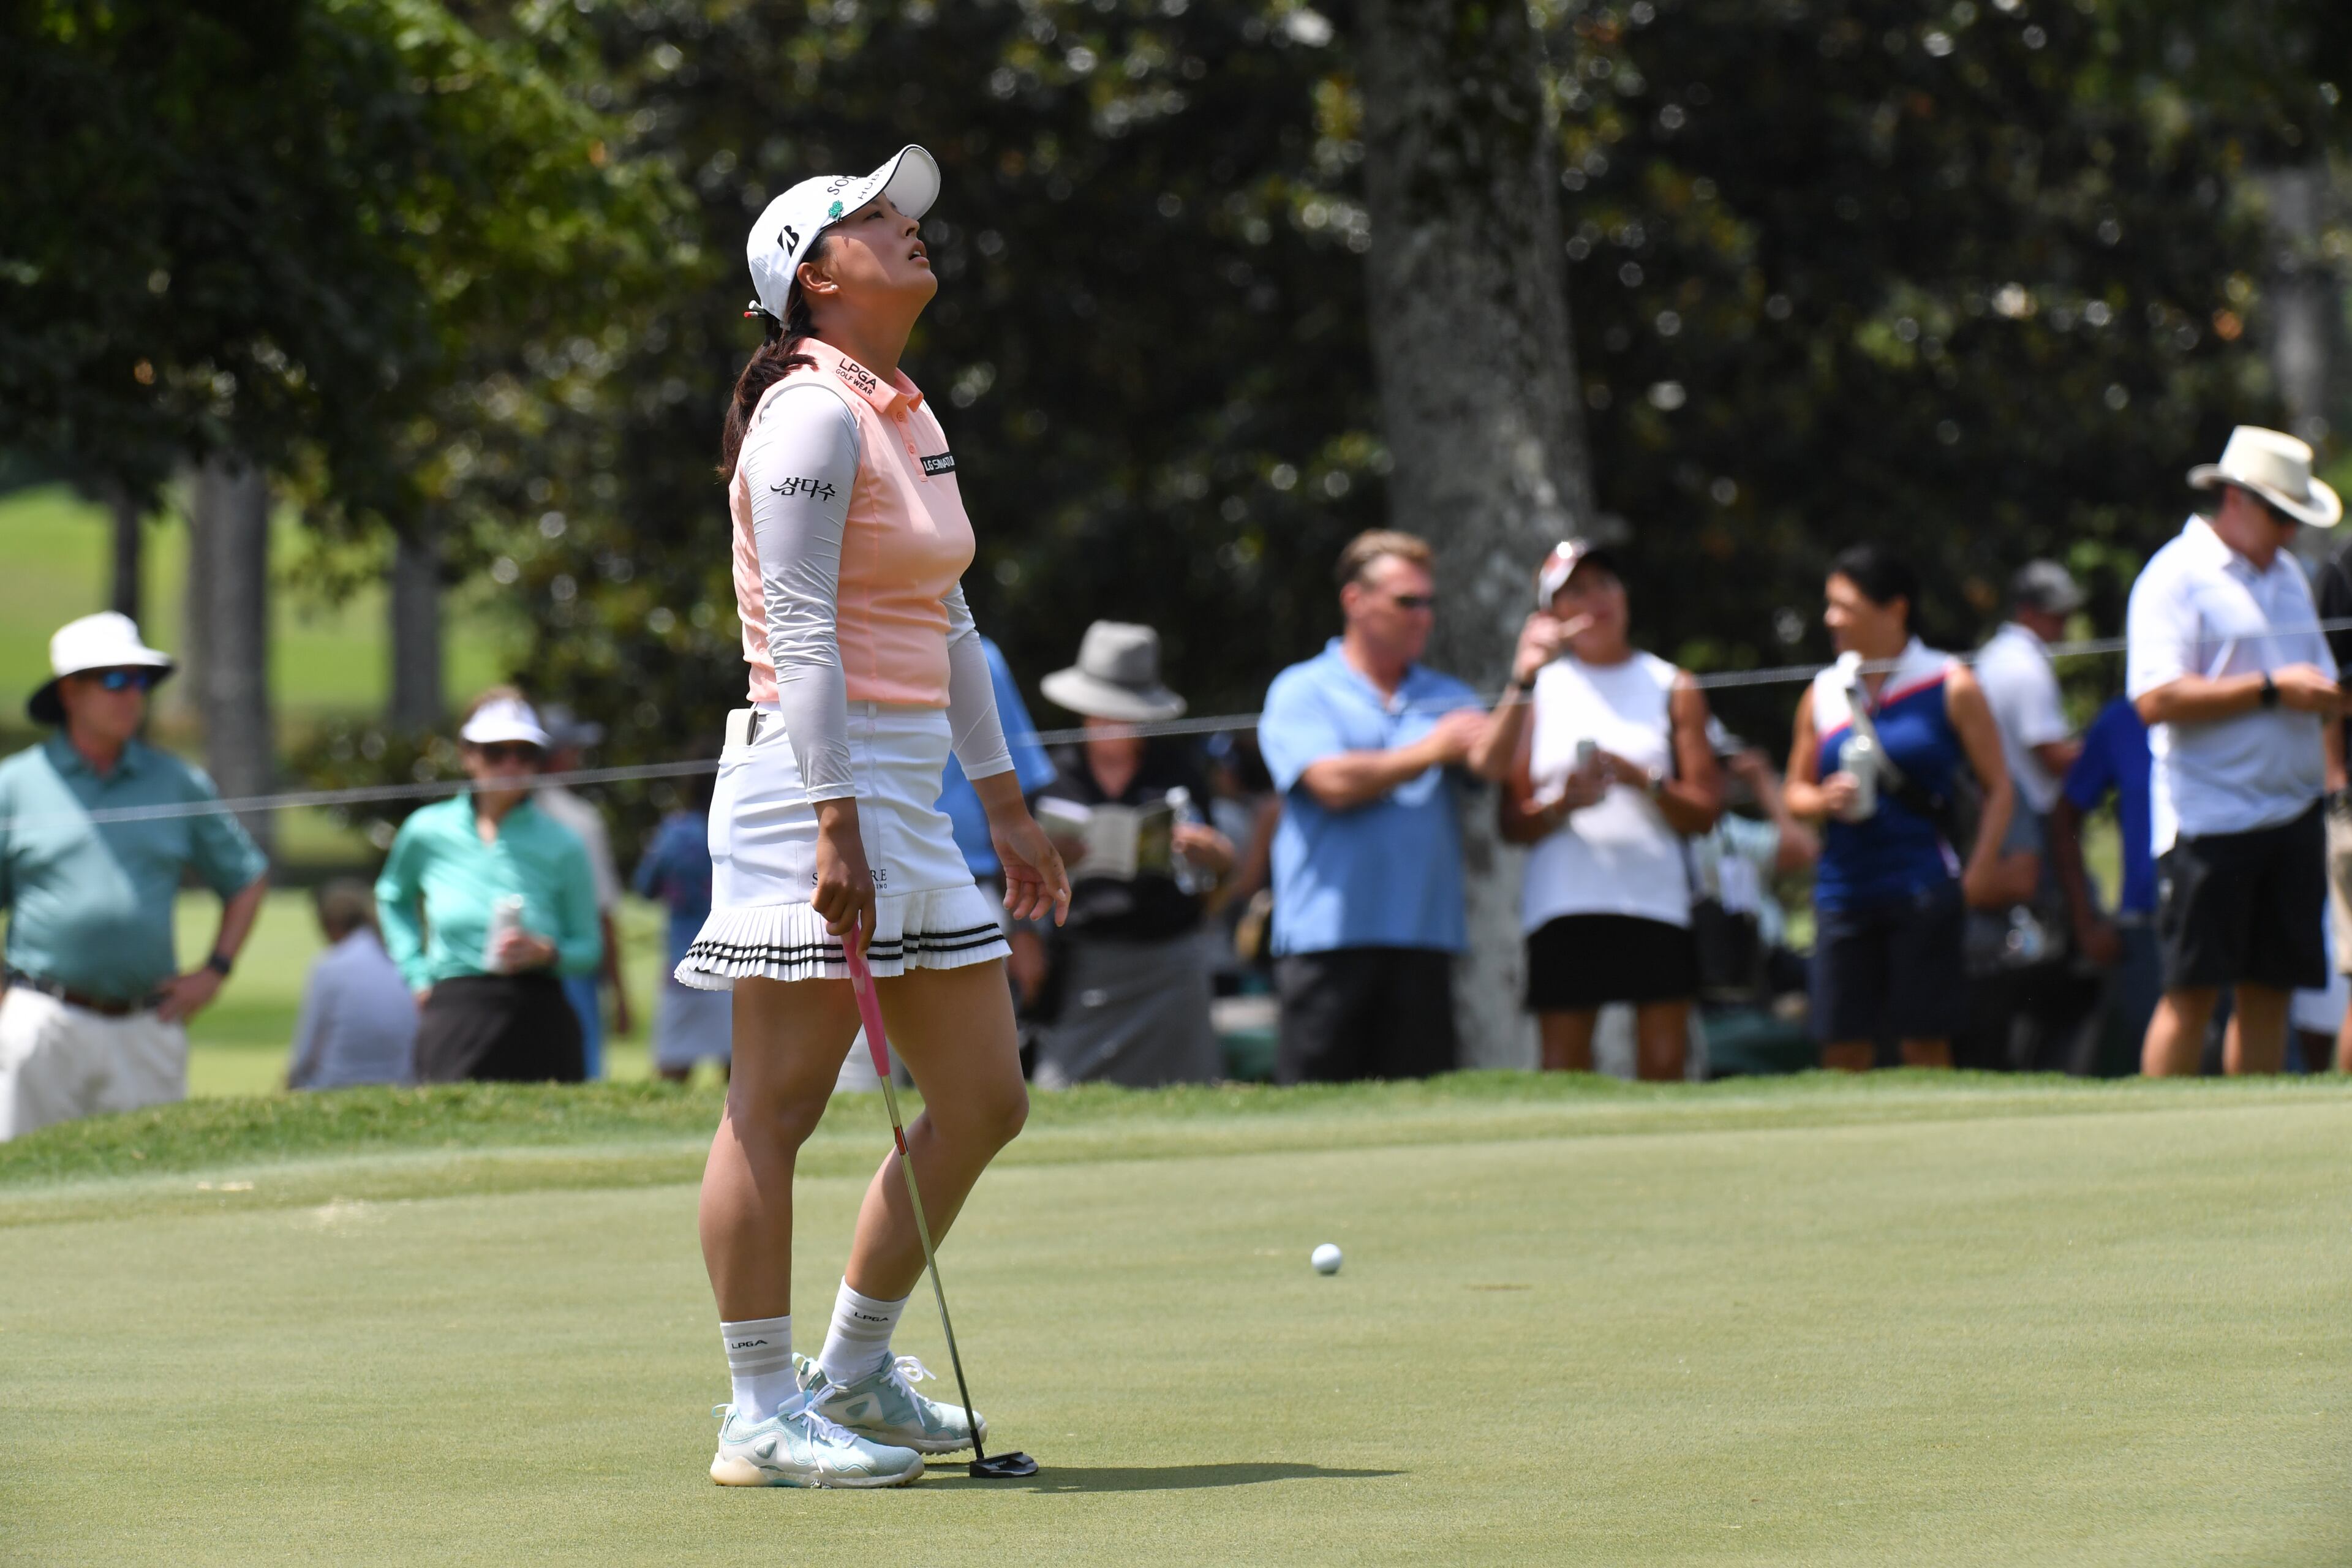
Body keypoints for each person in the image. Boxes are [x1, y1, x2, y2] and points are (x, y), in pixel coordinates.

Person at [676, 146, 1070, 1489]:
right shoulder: (807, 413)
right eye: (873, 220)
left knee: (985, 1096)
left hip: (906, 787)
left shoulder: (901, 407)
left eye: (906, 216)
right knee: (773, 1105)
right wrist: (836, 815)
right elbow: (795, 627)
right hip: (811, 785)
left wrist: (1007, 804)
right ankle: (758, 1408)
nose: (906, 229)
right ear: (816, 273)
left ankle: (852, 1367)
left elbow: (949, 621)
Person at [1256, 529, 1522, 1084]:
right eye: (1408, 602)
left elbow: (1492, 766)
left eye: (1429, 603)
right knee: (1315, 1118)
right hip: (1326, 941)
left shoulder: (1446, 693)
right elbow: (1330, 781)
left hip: (1424, 938)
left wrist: (1526, 680)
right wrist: (1431, 750)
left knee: (1419, 1119)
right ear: (1355, 600)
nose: (1424, 616)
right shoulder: (1302, 689)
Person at [0, 612, 270, 1139]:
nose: (131, 696)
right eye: (114, 680)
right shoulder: (14, 785)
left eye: (140, 681)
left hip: (148, 1024)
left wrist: (215, 970)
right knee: (19, 1184)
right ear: (70, 693)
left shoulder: (177, 781)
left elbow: (245, 878)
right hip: (42, 1018)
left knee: (147, 1185)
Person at [2126, 425, 2343, 1076]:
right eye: (2281, 515)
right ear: (2236, 499)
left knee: (2270, 988)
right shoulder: (2174, 576)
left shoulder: (2289, 576)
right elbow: (2155, 700)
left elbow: (2321, 682)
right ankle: (2159, 1144)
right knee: (2191, 992)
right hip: (2210, 820)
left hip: (2293, 813)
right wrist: (2272, 689)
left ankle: (2250, 1146)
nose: (2289, 533)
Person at [1487, 541, 1722, 1079]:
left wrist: (1645, 781)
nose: (1596, 600)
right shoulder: (1538, 690)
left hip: (1656, 899)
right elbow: (1510, 820)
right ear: (1551, 615)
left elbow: (1706, 810)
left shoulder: (1672, 684)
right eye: (1576, 591)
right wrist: (1562, 803)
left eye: (1605, 584)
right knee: (1564, 1065)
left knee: (1664, 1063)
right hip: (1563, 902)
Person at [1783, 546, 2018, 1071]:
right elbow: (1793, 793)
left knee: (1924, 1042)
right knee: (1842, 1046)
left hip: (1923, 890)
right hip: (1843, 892)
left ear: (1895, 609)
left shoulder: (1950, 682)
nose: (1831, 619)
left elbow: (1999, 787)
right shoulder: (1824, 692)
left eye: (1845, 606)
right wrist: (1823, 799)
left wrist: (1977, 874)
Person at [1030, 621, 1232, 1088]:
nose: (1107, 723)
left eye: (1120, 713)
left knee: (1190, 1093)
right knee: (1060, 1091)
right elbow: (1013, 885)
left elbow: (1219, 887)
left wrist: (1216, 857)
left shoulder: (1178, 772)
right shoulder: (1049, 778)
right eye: (1098, 712)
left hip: (1172, 964)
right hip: (1083, 964)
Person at [375, 690, 602, 1084]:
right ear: (468, 755)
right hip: (454, 1008)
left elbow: (588, 947)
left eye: (525, 752)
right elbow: (392, 897)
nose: (512, 764)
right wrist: (416, 973)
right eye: (497, 752)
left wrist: (547, 952)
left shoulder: (564, 842)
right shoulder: (427, 831)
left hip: (541, 1010)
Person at [932, 635, 1057, 1012]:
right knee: (862, 1068)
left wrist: (1024, 930)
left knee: (963, 1059)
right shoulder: (829, 645)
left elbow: (1016, 801)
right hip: (861, 884)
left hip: (971, 891)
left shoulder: (976, 654)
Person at [2047, 695, 2161, 1076]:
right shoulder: (2120, 722)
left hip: (2230, 916)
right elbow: (2066, 818)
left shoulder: (2241, 705)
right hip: (2146, 929)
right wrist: (2086, 922)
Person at [535, 706, 631, 1079]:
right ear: (559, 756)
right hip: (573, 970)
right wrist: (620, 995)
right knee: (580, 1074)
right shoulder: (581, 821)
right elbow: (603, 913)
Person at [635, 783, 730, 1084]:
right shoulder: (737, 829)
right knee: (742, 1074)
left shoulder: (673, 834)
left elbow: (645, 887)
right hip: (735, 961)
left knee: (672, 1073)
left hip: (683, 962)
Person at [285, 880, 417, 1090]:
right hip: (402, 1083)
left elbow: (305, 1055)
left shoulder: (330, 967)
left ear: (330, 924)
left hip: (337, 1086)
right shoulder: (400, 958)